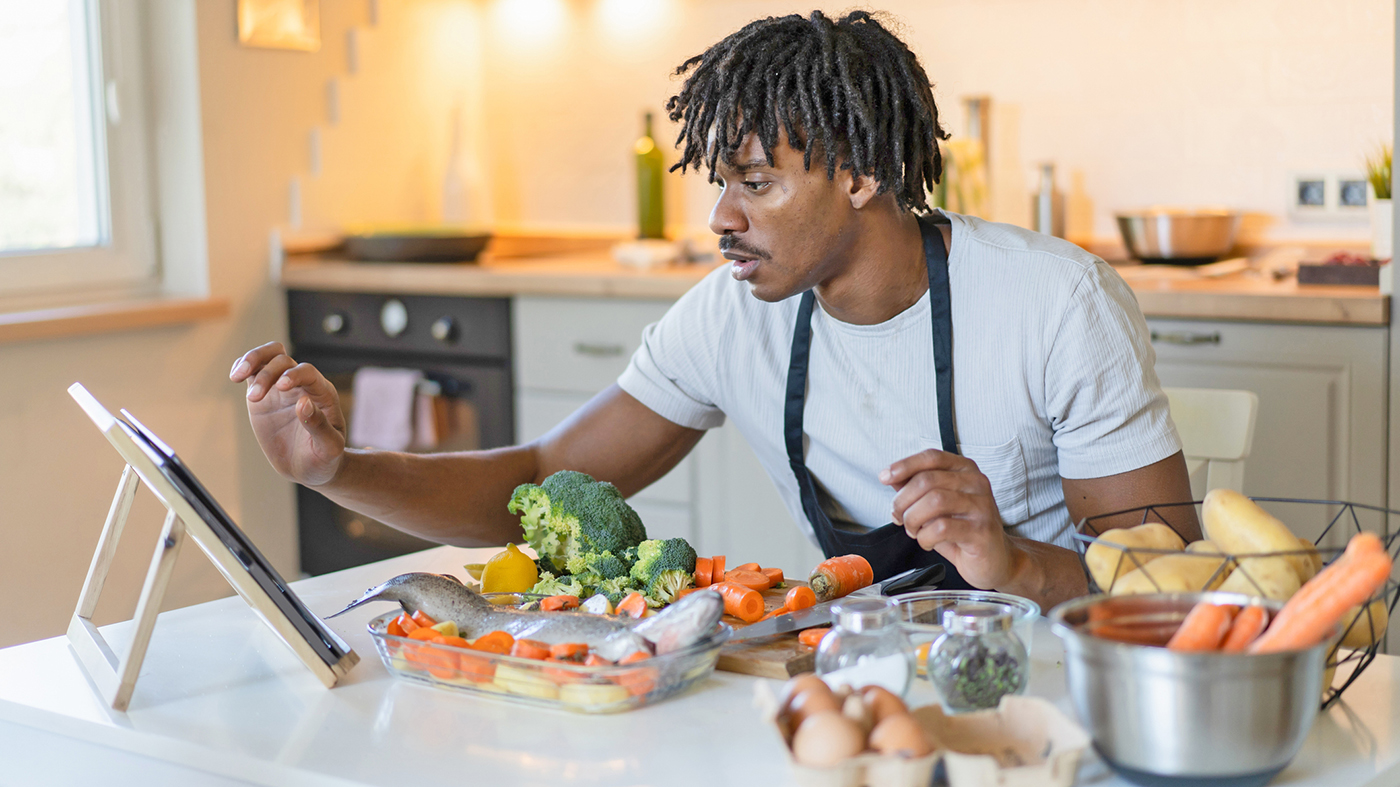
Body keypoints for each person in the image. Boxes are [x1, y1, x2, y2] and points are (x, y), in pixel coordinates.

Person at [230, 10, 1194, 611]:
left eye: (758, 184)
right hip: (857, 672)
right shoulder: (733, 314)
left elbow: (1171, 578)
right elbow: (537, 480)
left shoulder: (1054, 301)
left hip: (1064, 675)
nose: (720, 219)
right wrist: (337, 469)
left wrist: (1010, 558)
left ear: (861, 174)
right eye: (720, 182)